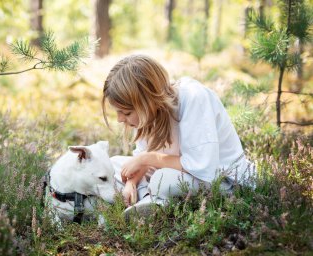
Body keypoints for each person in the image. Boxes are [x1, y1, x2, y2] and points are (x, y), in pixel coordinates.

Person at [102, 54, 256, 216]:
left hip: (220, 179)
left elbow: (200, 166)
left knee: (163, 179)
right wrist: (131, 182)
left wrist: (147, 159)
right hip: (177, 172)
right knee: (114, 165)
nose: (120, 119)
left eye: (126, 112)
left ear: (147, 102)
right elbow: (143, 158)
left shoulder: (194, 98)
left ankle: (152, 202)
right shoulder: (146, 115)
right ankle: (147, 200)